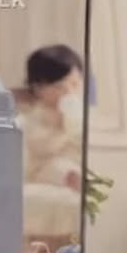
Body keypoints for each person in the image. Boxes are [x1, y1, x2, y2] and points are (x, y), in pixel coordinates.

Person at [16, 45, 84, 191]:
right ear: (37, 88)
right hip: (43, 167)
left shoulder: (78, 112)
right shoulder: (31, 118)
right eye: (60, 86)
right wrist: (62, 129)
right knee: (61, 168)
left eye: (75, 84)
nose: (69, 92)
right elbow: (41, 145)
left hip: (76, 160)